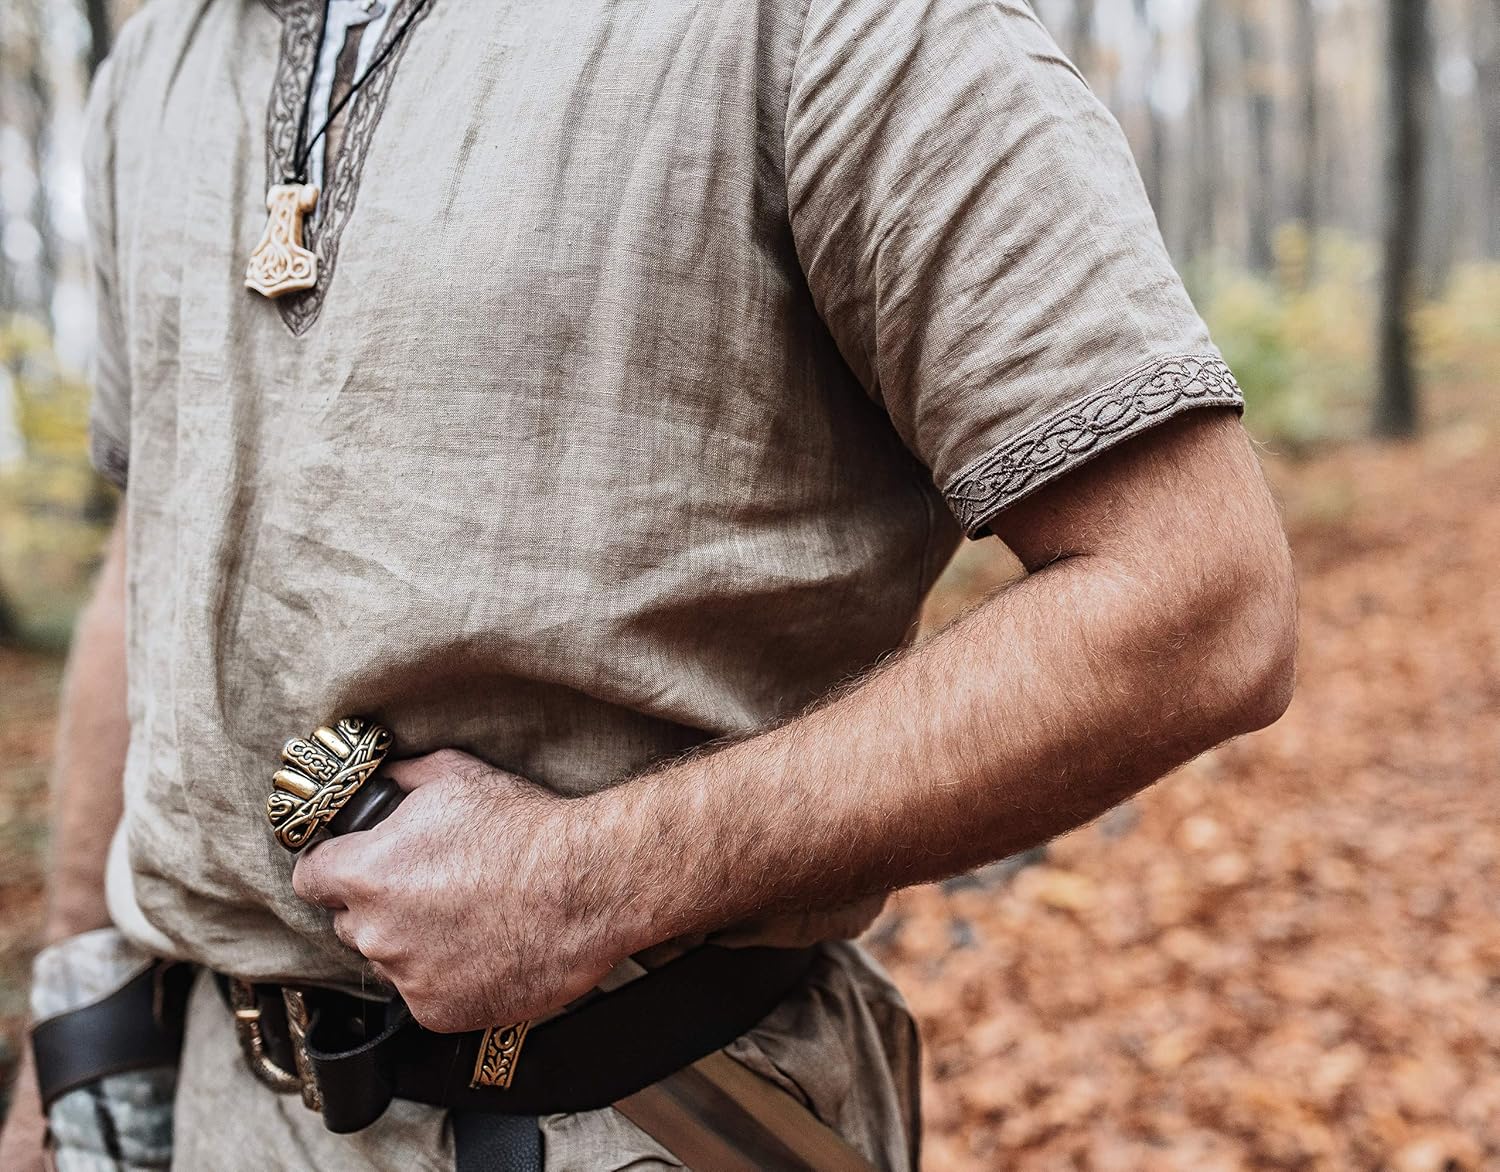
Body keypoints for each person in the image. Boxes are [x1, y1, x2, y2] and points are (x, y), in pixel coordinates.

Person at [0, 0, 1297, 1168]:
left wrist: (592, 876)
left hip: (658, 1114)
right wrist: (81, 1008)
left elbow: (1200, 600)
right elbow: (159, 541)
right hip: (216, 1103)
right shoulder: (157, 57)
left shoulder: (841, 25)